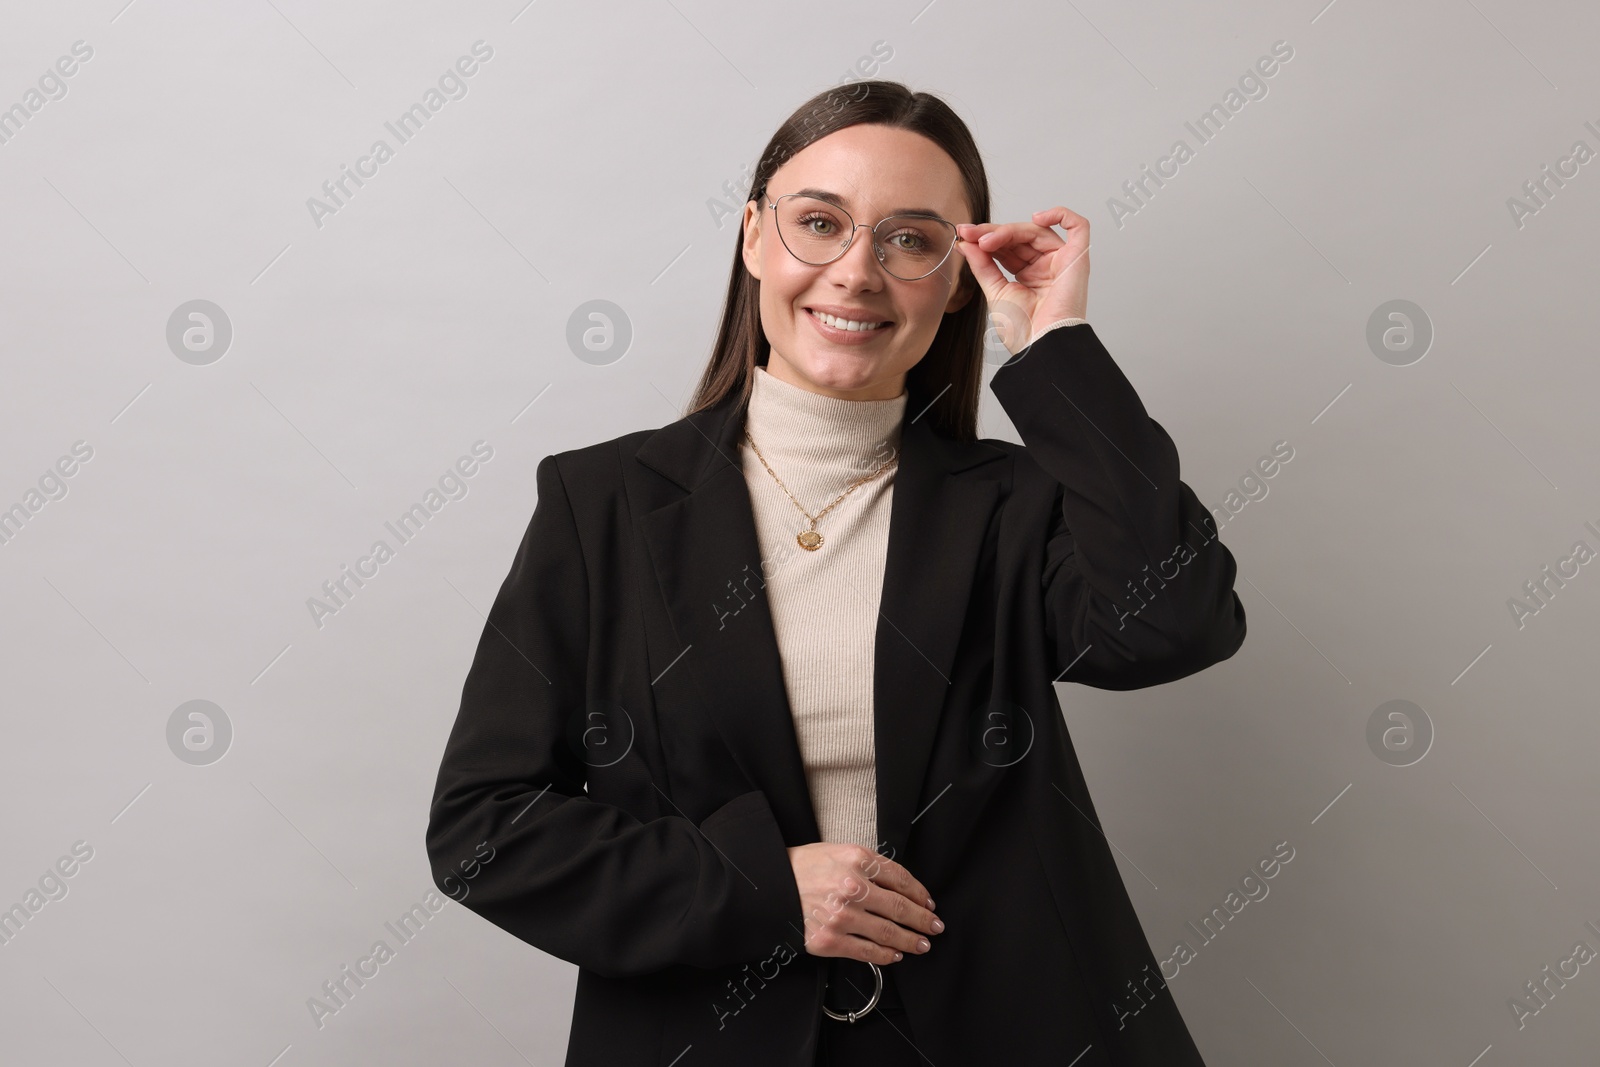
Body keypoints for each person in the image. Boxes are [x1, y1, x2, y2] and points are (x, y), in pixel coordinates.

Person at [425, 79, 1246, 1066]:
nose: (857, 271)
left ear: (953, 281)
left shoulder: (1010, 502)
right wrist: (761, 886)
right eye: (819, 222)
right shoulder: (603, 505)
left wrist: (1053, 346)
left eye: (910, 239)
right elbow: (484, 829)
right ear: (752, 238)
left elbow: (1175, 622)